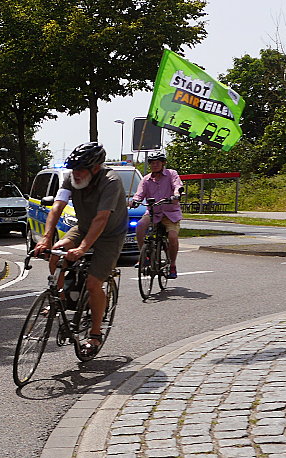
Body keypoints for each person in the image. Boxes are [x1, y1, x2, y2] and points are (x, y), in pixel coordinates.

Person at [33, 142, 127, 354]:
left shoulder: (110, 181)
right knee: (56, 252)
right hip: (84, 226)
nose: (76, 173)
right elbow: (57, 206)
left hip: (110, 235)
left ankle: (95, 334)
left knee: (94, 284)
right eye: (73, 168)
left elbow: (102, 218)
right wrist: (46, 238)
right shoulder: (71, 178)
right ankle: (61, 299)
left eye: (81, 169)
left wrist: (83, 248)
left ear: (95, 168)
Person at [130, 151, 183, 279]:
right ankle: (145, 256)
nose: (155, 165)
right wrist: (135, 200)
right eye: (152, 163)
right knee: (140, 226)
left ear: (163, 163)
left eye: (157, 163)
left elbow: (177, 186)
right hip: (153, 212)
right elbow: (139, 194)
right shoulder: (146, 179)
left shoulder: (171, 174)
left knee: (172, 237)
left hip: (170, 213)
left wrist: (176, 194)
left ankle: (172, 265)